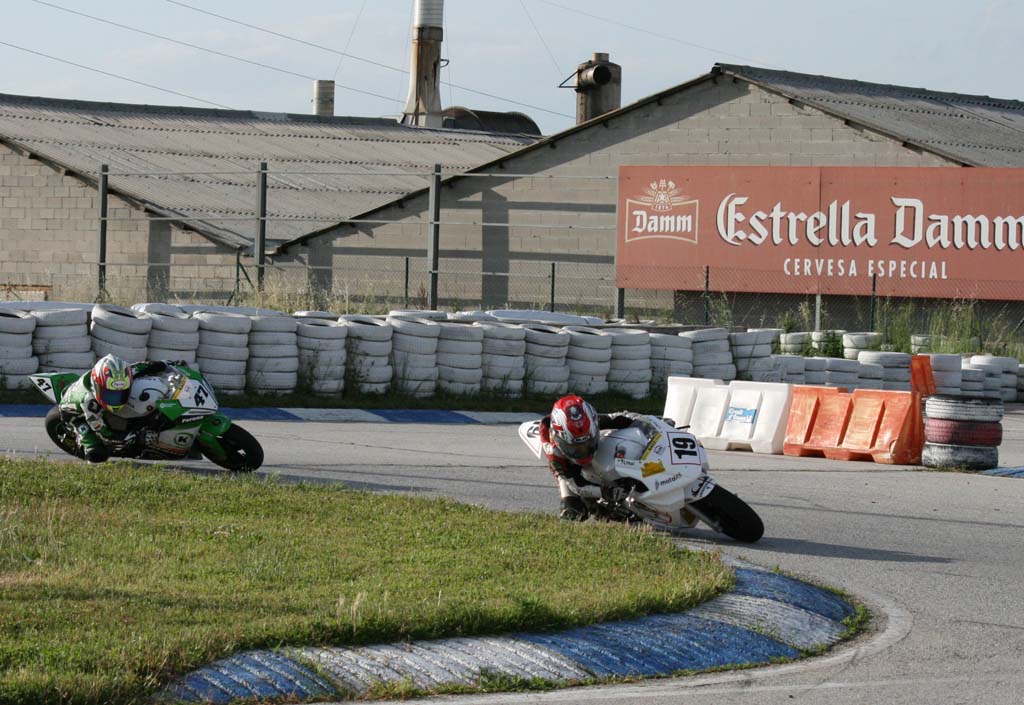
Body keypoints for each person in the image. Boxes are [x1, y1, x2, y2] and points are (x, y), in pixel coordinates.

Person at [538, 394, 647, 521]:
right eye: (576, 448)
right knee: (574, 510)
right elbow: (577, 486)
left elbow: (622, 416)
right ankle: (590, 506)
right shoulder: (554, 451)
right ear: (560, 440)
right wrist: (605, 492)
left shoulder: (590, 422)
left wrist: (648, 423)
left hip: (575, 430)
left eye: (588, 444)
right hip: (566, 463)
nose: (583, 451)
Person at [59, 354, 179, 463]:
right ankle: (83, 441)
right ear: (97, 388)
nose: (116, 399)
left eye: (122, 393)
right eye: (110, 395)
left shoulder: (123, 376)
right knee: (96, 453)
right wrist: (133, 436)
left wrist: (166, 364)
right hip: (71, 413)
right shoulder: (89, 404)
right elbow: (105, 435)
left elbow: (144, 366)